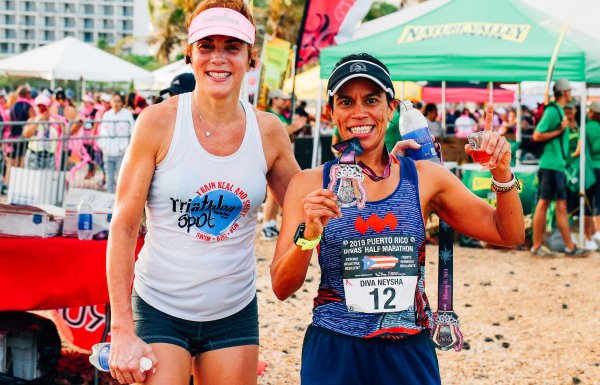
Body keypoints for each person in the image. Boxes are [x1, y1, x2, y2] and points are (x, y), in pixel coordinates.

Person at [270, 53, 524, 385]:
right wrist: (309, 234)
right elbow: (280, 286)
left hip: (407, 352)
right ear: (331, 112)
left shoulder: (425, 178)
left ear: (391, 109)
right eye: (346, 102)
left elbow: (508, 233)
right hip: (335, 351)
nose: (359, 111)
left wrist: (502, 173)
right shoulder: (309, 183)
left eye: (372, 100)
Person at [531, 79, 587, 256]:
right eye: (570, 90)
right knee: (545, 203)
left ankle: (569, 246)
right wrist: (559, 131)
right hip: (551, 165)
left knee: (560, 205)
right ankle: (537, 245)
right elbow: (537, 135)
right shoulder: (553, 111)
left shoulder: (558, 111)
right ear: (565, 93)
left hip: (557, 165)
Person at [96, 93, 134, 193]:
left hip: (121, 152)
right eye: (114, 101)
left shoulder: (127, 114)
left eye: (118, 101)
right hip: (108, 152)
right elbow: (102, 132)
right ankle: (109, 201)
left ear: (122, 103)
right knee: (109, 179)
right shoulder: (107, 115)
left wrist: (124, 148)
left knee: (121, 179)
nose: (116, 103)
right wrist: (103, 146)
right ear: (111, 102)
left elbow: (132, 131)